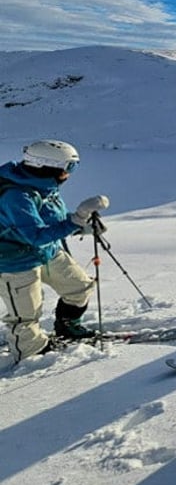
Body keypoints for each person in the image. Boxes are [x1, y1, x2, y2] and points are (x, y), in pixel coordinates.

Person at [0, 140, 110, 361]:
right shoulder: (16, 195)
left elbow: (52, 220)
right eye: (68, 168)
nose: (69, 174)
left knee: (79, 287)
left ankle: (67, 324)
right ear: (47, 166)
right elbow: (35, 235)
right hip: (15, 261)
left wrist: (80, 225)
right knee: (26, 315)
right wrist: (75, 221)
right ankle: (32, 355)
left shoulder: (44, 185)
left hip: (47, 251)